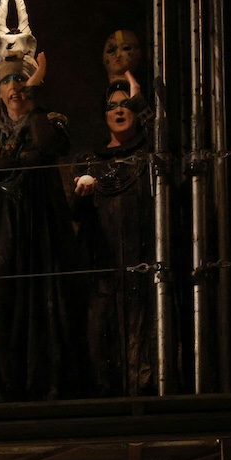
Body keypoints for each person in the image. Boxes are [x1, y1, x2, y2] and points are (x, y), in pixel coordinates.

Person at [0, 47, 86, 401]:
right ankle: (5, 388)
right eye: (7, 80)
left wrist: (36, 91)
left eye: (22, 78)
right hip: (1, 230)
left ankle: (44, 388)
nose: (16, 86)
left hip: (40, 228)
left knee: (42, 304)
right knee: (0, 304)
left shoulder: (49, 120)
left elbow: (46, 147)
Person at [73, 73, 156, 396]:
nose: (119, 111)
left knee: (144, 353)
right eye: (112, 106)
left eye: (126, 105)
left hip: (144, 272)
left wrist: (142, 102)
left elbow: (168, 148)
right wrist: (79, 195)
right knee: (100, 353)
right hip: (102, 275)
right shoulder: (89, 161)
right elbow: (76, 217)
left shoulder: (149, 157)